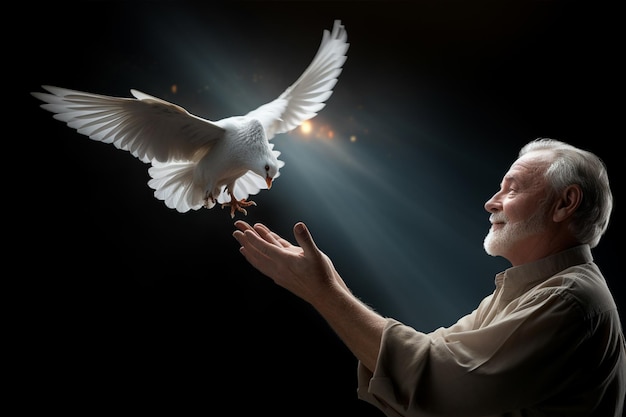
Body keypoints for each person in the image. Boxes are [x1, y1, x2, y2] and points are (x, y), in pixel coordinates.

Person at [232, 137, 626, 416]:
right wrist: (325, 288)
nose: (492, 202)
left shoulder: (569, 301)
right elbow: (425, 367)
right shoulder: (529, 291)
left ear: (565, 203)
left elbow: (438, 384)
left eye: (512, 188)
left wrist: (326, 292)